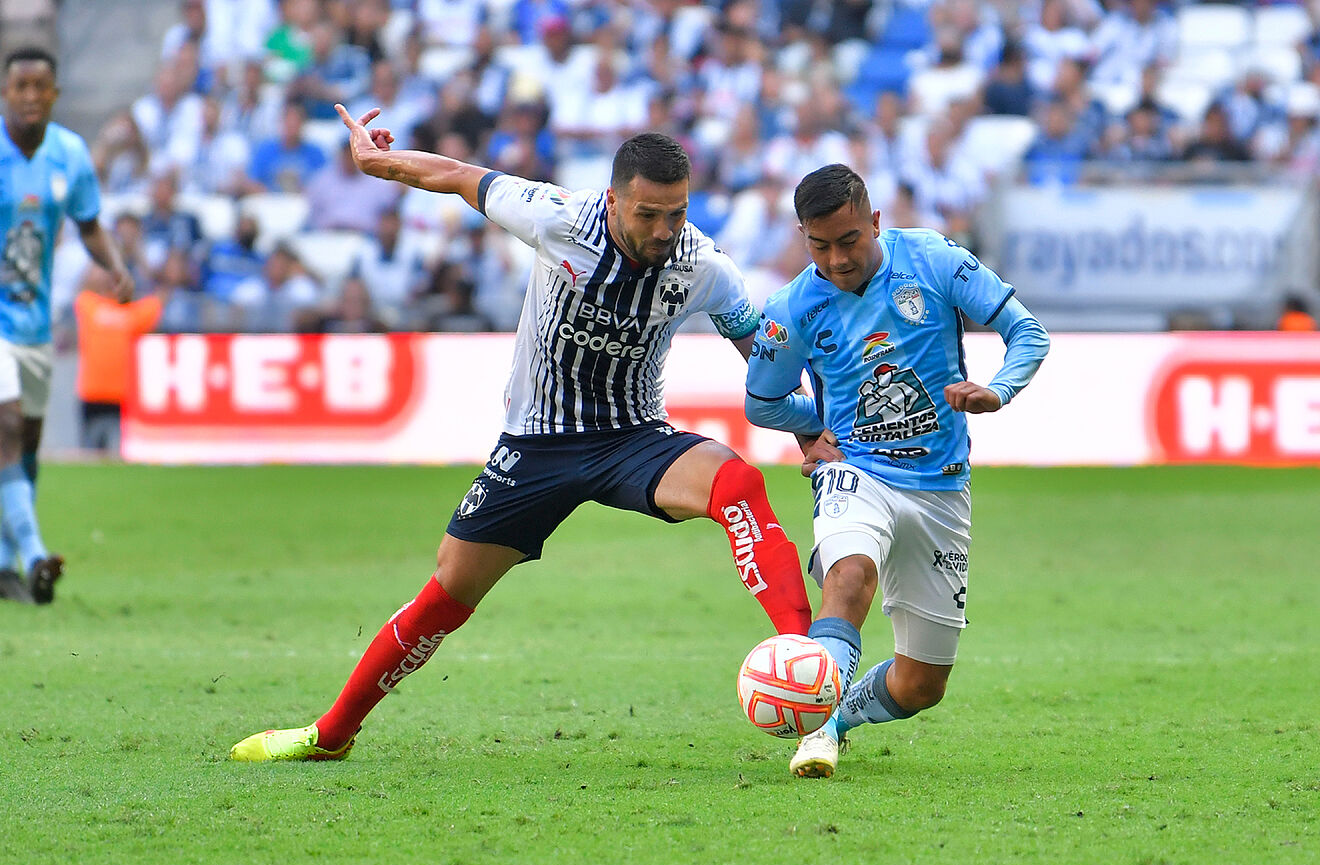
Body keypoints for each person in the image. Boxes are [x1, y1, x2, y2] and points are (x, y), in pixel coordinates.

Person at [228, 107, 814, 762]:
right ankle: (331, 733)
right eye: (648, 214)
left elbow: (761, 360)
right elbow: (455, 175)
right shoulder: (555, 216)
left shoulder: (704, 265)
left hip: (633, 435)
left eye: (676, 213)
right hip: (536, 443)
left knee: (736, 480)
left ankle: (807, 677)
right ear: (614, 199)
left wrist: (808, 434)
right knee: (446, 595)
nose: (664, 230)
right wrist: (374, 162)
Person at [742, 164, 1049, 778]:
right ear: (803, 235)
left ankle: (841, 714)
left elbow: (1027, 332)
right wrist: (817, 427)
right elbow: (761, 401)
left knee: (920, 685)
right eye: (819, 245)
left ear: (875, 222)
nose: (835, 259)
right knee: (850, 578)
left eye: (849, 240)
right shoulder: (793, 307)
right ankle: (819, 724)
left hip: (941, 490)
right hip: (856, 472)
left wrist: (998, 390)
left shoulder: (932, 260)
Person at [0, 47, 134, 604]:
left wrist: (116, 266)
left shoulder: (68, 154)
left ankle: (7, 565)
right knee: (6, 429)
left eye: (40, 87)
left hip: (33, 324)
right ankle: (34, 554)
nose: (30, 96)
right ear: (6, 93)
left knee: (25, 445)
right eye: (20, 87)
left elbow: (89, 224)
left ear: (54, 94)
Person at [73, 265, 162, 452]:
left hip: (121, 395)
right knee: (90, 450)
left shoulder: (133, 312)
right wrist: (103, 269)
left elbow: (156, 302)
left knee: (118, 452)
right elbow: (82, 291)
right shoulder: (91, 305)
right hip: (92, 392)